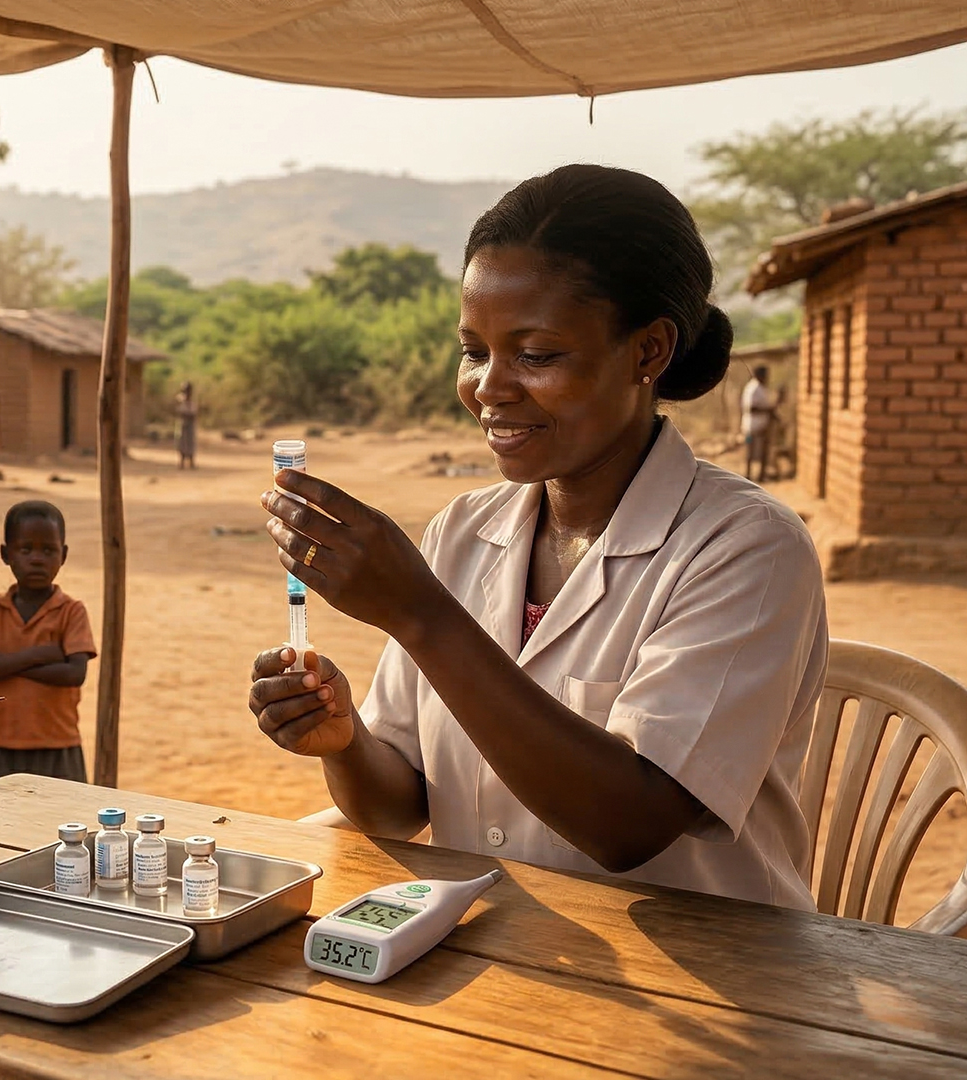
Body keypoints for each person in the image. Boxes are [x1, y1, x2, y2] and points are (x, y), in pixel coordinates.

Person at [248, 165, 826, 910]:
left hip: (714, 967)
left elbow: (629, 825)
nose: (489, 387)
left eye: (536, 355)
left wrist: (420, 614)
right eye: (473, 351)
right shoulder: (464, 532)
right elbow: (398, 807)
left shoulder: (747, 549)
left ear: (648, 352)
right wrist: (345, 741)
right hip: (500, 946)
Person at [0, 501, 97, 782]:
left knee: (65, 810)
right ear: (6, 554)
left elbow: (75, 673)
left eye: (48, 551)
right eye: (25, 550)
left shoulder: (71, 610)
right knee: (4, 811)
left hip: (60, 744)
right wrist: (39, 655)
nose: (37, 560)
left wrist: (6, 667)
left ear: (63, 555)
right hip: (5, 745)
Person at [741, 365, 778, 483]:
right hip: (753, 427)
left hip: (760, 426)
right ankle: (748, 475)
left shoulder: (760, 388)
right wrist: (768, 410)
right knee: (751, 452)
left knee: (761, 452)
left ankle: (760, 476)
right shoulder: (754, 388)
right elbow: (752, 408)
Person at [175, 381, 198, 470]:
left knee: (191, 442)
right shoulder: (180, 399)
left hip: (190, 423)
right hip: (183, 423)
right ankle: (182, 462)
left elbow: (194, 413)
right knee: (182, 442)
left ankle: (191, 462)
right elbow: (178, 411)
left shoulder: (192, 401)